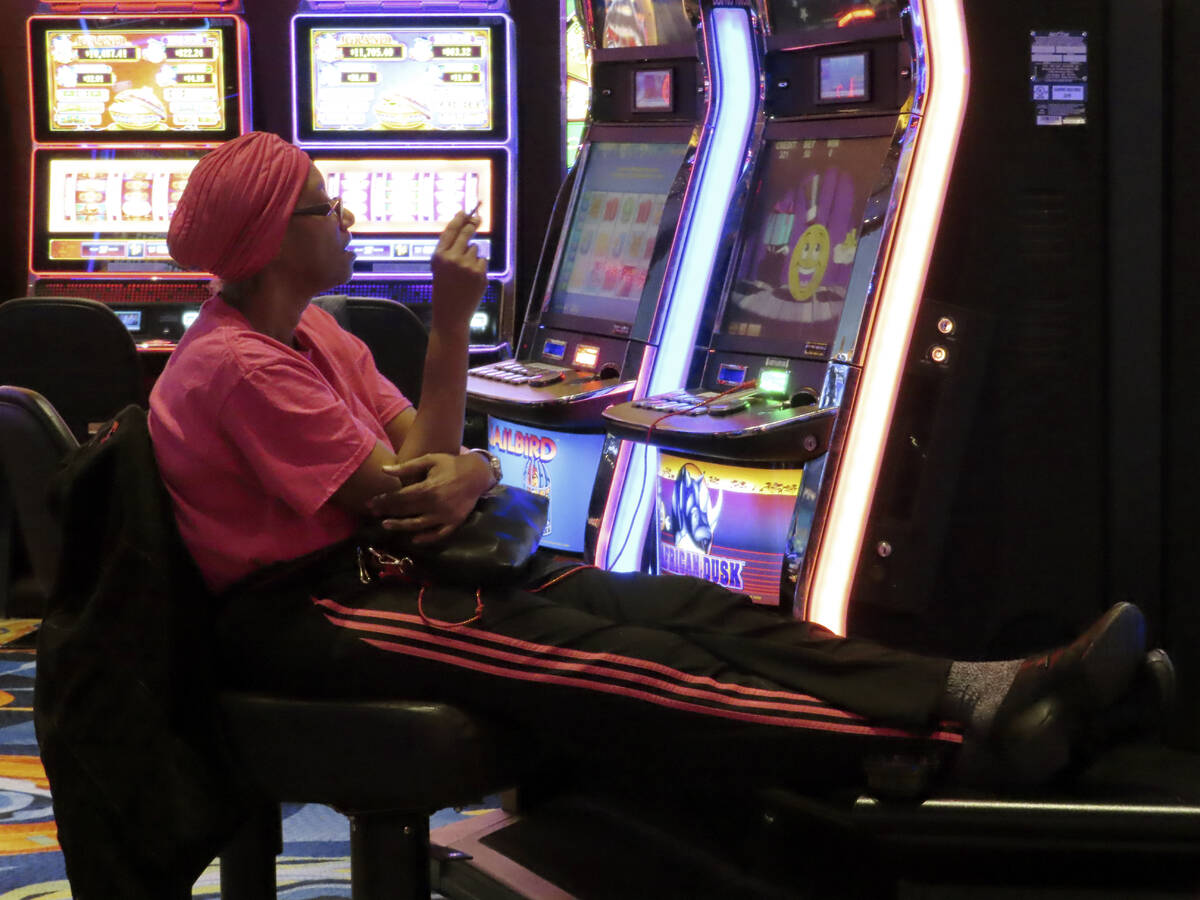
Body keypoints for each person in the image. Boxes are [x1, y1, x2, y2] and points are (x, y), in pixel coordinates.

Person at [149, 131, 1157, 792]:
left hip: (387, 569)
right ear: (275, 237)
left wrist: (470, 468)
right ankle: (973, 752)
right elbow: (404, 500)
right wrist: (453, 366)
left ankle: (982, 685)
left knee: (688, 609)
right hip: (321, 609)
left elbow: (428, 462)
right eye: (328, 207)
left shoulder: (312, 333)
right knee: (645, 668)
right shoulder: (236, 368)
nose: (350, 219)